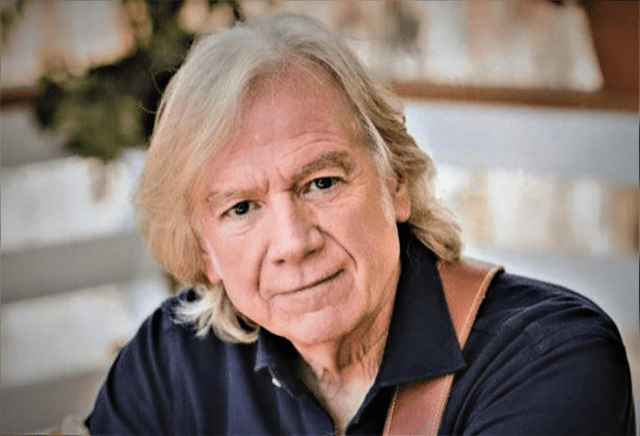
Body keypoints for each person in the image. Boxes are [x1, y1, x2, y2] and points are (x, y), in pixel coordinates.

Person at [85, 14, 635, 435]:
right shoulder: (173, 359)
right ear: (205, 249)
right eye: (242, 208)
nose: (293, 243)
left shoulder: (549, 358)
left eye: (321, 183)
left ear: (396, 182)